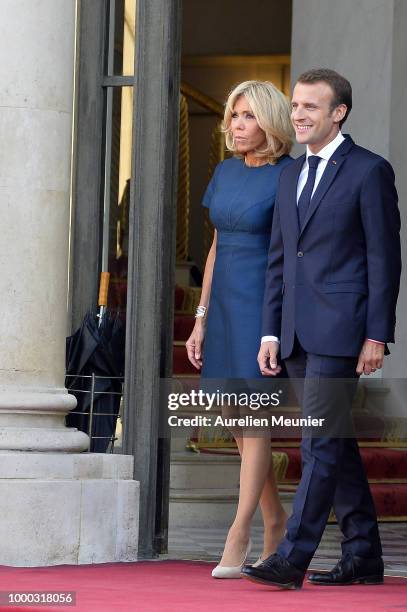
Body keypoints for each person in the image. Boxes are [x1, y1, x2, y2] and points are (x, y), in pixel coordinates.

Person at [242, 68, 401, 590]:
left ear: (339, 113)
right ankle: (363, 554)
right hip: (292, 334)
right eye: (295, 107)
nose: (299, 115)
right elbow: (279, 259)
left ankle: (293, 557)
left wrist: (376, 335)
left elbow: (384, 259)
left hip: (342, 332)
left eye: (312, 107)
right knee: (335, 443)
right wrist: (270, 332)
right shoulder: (288, 175)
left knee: (318, 443)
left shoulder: (369, 171)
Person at [185, 80, 294, 578]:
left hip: (261, 308)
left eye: (248, 116)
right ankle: (276, 520)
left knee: (254, 422)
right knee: (237, 423)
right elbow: (214, 248)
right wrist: (200, 320)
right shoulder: (227, 171)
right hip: (224, 304)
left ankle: (240, 531)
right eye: (234, 115)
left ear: (270, 122)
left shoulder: (289, 176)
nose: (236, 125)